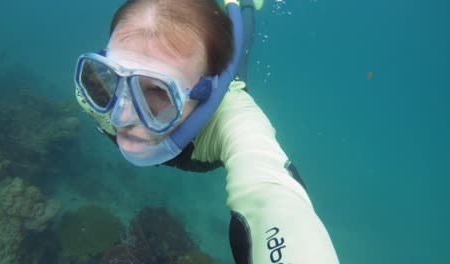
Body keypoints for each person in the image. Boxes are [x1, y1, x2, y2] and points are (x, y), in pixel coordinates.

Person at [74, 0, 340, 263]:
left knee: (237, 53)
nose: (122, 116)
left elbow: (272, 197)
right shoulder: (93, 93)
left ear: (204, 94)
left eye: (157, 91)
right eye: (112, 75)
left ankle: (242, 5)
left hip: (225, 79)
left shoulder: (233, 119)